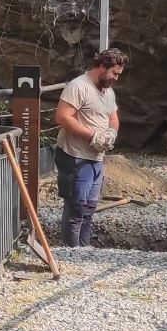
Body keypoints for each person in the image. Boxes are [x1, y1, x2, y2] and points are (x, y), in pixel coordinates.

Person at [54, 48, 125, 248]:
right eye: (114, 73)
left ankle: (84, 250)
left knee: (89, 208)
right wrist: (92, 136)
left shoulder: (108, 92)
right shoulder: (79, 86)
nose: (116, 78)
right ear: (102, 66)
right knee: (76, 208)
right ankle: (71, 251)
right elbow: (62, 117)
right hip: (75, 156)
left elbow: (113, 118)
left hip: (96, 158)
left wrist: (111, 133)